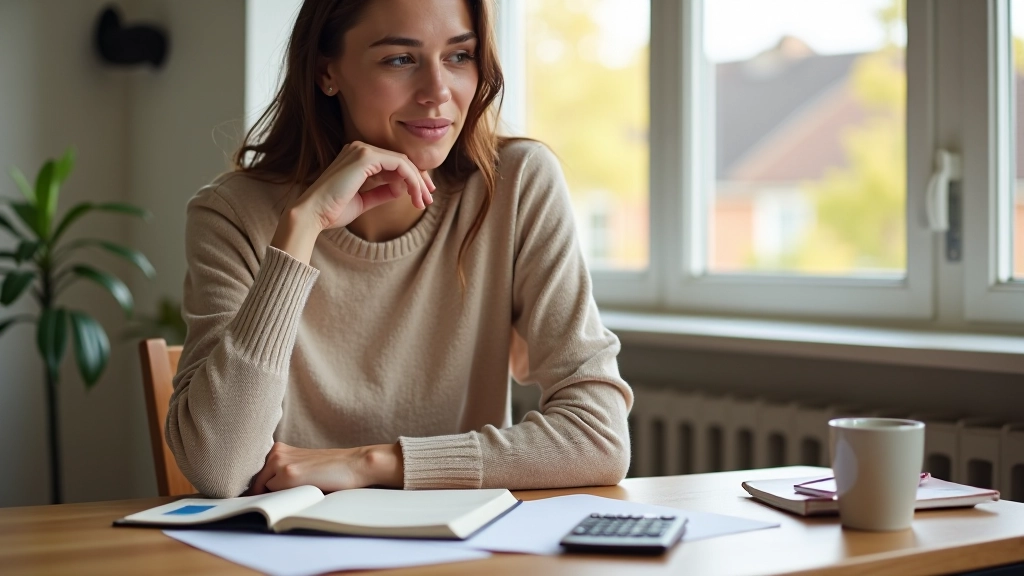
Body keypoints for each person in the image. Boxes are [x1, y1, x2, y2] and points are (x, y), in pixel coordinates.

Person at [166, 0, 633, 499]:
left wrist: (371, 463)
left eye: (459, 56)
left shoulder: (515, 184)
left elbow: (599, 437)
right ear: (327, 72)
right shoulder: (233, 214)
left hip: (464, 537)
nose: (438, 92)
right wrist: (301, 230)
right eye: (400, 59)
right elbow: (219, 468)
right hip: (291, 538)